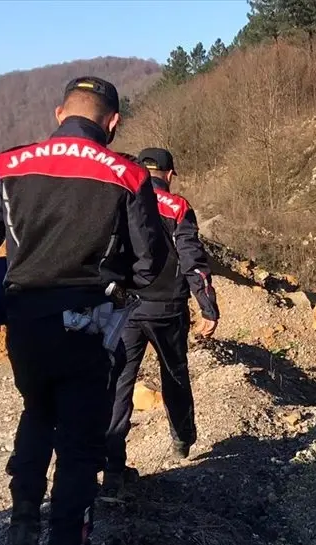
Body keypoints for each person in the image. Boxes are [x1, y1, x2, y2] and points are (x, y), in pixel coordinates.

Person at [0, 76, 168, 545]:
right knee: (79, 448)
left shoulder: (9, 164)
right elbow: (150, 261)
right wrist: (121, 289)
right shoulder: (127, 173)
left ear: (58, 112)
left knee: (37, 407)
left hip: (26, 324)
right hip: (89, 324)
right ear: (112, 122)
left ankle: (24, 518)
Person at [105, 147, 219, 495]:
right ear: (169, 174)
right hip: (167, 308)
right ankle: (182, 441)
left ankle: (112, 467)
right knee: (174, 374)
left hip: (124, 307)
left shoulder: (121, 199)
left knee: (119, 384)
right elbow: (192, 258)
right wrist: (207, 306)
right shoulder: (178, 207)